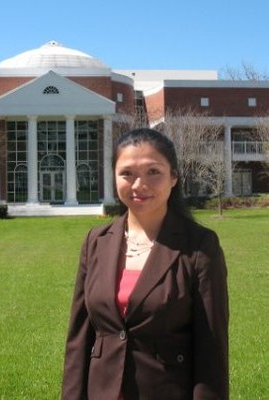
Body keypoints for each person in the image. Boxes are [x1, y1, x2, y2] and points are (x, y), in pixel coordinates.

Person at [61, 128, 229, 400]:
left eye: (153, 172)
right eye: (127, 173)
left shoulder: (199, 247)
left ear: (173, 177)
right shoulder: (96, 241)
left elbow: (211, 350)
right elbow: (79, 339)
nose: (139, 184)